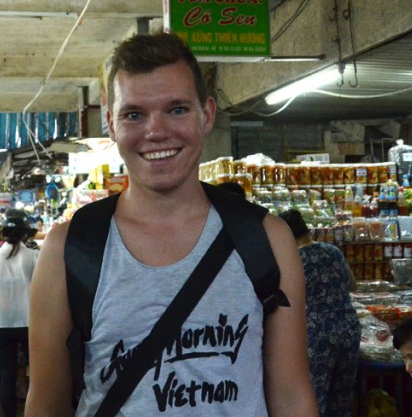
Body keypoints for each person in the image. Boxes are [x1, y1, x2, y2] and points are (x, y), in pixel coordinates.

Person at [27, 33, 317, 416]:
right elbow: (45, 402)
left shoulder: (266, 238)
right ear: (111, 125)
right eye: (134, 114)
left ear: (207, 115)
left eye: (177, 109)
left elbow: (292, 394)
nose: (156, 131)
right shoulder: (69, 248)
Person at [278, 208, 360, 417]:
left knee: (316, 395)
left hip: (318, 333)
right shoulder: (332, 250)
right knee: (342, 396)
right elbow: (353, 285)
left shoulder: (293, 260)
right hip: (349, 327)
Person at [0, 209, 40, 416]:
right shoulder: (35, 256)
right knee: (38, 375)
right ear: (25, 233)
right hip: (30, 324)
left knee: (6, 376)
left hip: (1, 324)